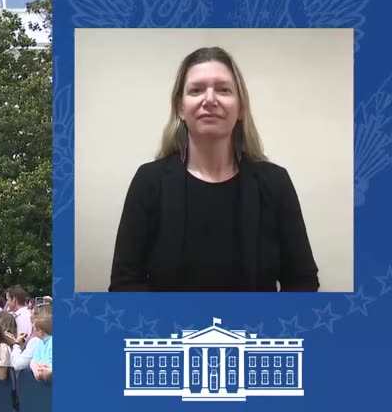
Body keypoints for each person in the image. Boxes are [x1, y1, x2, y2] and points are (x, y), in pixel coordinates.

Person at [110, 46, 319, 292]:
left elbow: (302, 281)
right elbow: (125, 284)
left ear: (240, 108)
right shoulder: (149, 182)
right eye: (197, 90)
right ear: (180, 107)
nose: (210, 100)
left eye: (223, 90)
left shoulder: (275, 182)